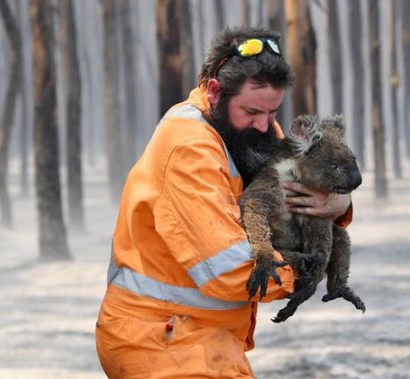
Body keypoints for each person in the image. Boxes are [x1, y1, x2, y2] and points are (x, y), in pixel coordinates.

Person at [95, 27, 353, 378]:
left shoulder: (251, 131)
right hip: (161, 340)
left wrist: (339, 205)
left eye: (273, 112)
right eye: (252, 111)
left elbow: (307, 188)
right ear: (215, 92)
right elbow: (229, 269)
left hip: (201, 336)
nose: (265, 125)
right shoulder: (188, 148)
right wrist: (307, 271)